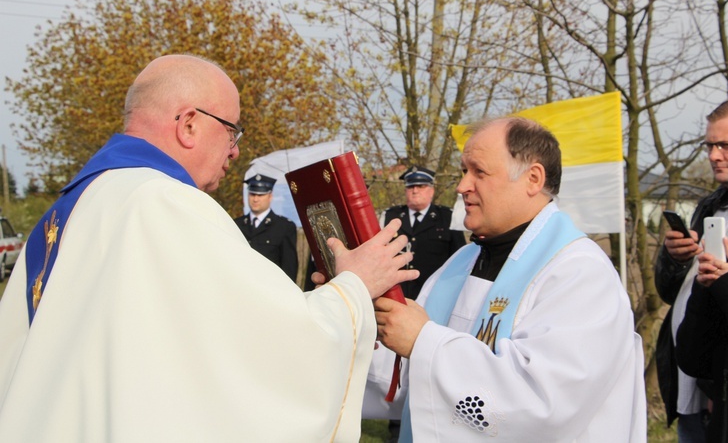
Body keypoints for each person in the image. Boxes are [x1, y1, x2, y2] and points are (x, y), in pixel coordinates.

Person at [0, 54, 418, 442]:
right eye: (231, 130)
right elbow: (271, 345)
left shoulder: (70, 209)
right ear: (188, 124)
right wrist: (355, 287)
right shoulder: (161, 201)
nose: (235, 151)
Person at [357, 117, 647, 441]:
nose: (462, 186)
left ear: (532, 178)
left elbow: (542, 404)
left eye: (478, 172)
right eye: (464, 171)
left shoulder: (579, 272)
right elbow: (404, 380)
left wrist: (425, 342)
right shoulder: (461, 262)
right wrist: (356, 300)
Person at [672, 99, 728, 443]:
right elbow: (673, 293)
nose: (714, 155)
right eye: (710, 145)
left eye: (726, 144)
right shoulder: (711, 206)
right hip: (702, 385)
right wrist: (674, 260)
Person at [382, 165, 466, 300]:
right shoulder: (390, 216)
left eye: (421, 186)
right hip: (397, 295)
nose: (415, 191)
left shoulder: (447, 217)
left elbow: (460, 261)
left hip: (434, 296)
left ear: (431, 190)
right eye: (410, 187)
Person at [235, 174, 298, 282]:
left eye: (260, 195)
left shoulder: (284, 227)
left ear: (270, 196)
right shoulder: (237, 224)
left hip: (269, 288)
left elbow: (289, 267)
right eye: (252, 194)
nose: (255, 199)